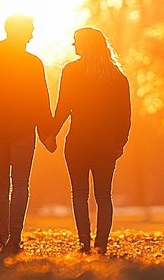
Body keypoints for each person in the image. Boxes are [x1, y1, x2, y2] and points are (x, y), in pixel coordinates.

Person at [0, 14, 56, 256]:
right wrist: (47, 132)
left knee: (0, 185)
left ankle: (4, 239)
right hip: (22, 131)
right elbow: (41, 100)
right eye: (30, 30)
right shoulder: (32, 63)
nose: (32, 34)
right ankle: (15, 238)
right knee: (20, 183)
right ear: (19, 32)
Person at [48, 27, 131, 253]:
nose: (73, 46)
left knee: (80, 194)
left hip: (78, 142)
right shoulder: (117, 77)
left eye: (76, 42)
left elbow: (64, 106)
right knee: (104, 195)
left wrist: (50, 132)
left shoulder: (72, 71)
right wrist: (119, 143)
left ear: (85, 45)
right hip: (105, 145)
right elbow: (125, 116)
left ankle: (84, 244)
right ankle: (101, 245)